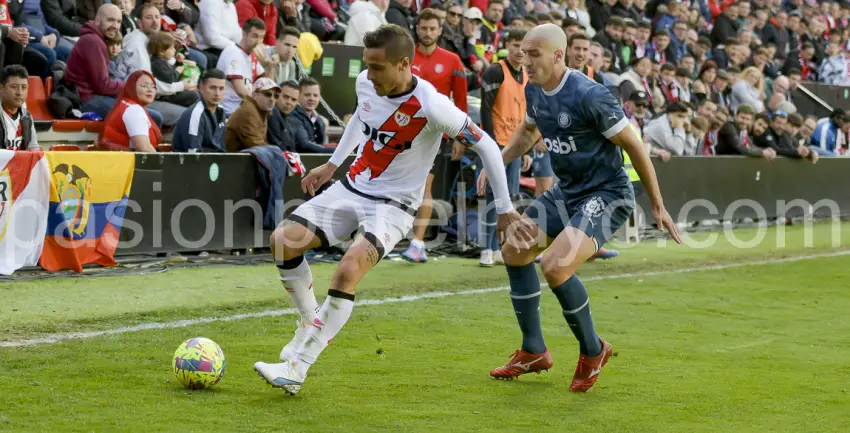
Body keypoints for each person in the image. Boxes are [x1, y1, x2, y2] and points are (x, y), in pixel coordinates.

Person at [252, 23, 518, 396]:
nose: (369, 73)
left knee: (348, 270)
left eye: (377, 67)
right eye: (367, 64)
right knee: (283, 241)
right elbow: (361, 119)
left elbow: (487, 145)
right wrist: (333, 164)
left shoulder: (433, 105)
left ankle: (297, 365)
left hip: (394, 205)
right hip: (352, 187)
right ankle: (310, 321)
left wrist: (504, 208)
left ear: (403, 64)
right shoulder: (366, 83)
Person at [486, 24, 680, 392]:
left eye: (533, 54)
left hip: (608, 193)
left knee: (556, 266)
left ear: (558, 55)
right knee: (514, 249)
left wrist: (658, 204)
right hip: (568, 191)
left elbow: (635, 147)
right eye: (523, 54)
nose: (524, 61)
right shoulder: (534, 90)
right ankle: (533, 351)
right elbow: (528, 133)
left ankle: (594, 350)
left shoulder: (591, 95)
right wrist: (497, 161)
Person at [401, 8, 468, 264]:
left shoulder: (453, 60)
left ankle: (417, 244)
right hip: (402, 129)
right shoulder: (405, 56)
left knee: (424, 186)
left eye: (432, 28)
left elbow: (460, 103)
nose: (427, 33)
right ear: (417, 29)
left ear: (440, 30)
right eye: (423, 28)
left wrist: (461, 138)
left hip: (435, 135)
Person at [473, 28, 528, 267]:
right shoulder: (495, 71)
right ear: (507, 46)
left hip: (514, 147)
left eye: (523, 46)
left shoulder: (527, 75)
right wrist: (490, 144)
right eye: (515, 45)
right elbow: (486, 109)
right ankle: (487, 247)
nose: (519, 51)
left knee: (510, 200)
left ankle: (500, 247)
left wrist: (527, 148)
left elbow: (527, 115)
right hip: (495, 145)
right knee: (492, 198)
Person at [95, 70, 162, 152]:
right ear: (132, 87)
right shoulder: (133, 109)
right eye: (144, 86)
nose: (150, 90)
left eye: (153, 87)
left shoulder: (127, 104)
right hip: (124, 162)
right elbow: (144, 148)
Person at [217, 17, 266, 115]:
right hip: (229, 109)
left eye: (261, 37)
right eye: (255, 36)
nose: (258, 42)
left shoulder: (252, 54)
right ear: (244, 34)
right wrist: (259, 102)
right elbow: (239, 88)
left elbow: (266, 84)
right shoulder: (233, 52)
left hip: (244, 107)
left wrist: (270, 64)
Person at [173, 69, 228, 152]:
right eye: (213, 88)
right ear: (202, 88)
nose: (217, 93)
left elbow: (221, 147)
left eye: (221, 88)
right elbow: (193, 154)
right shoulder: (195, 114)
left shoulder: (221, 110)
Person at [224, 77, 280, 152]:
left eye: (276, 96)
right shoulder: (249, 111)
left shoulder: (261, 111)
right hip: (232, 161)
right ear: (254, 95)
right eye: (268, 94)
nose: (272, 99)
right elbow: (257, 145)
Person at [149, 31, 201, 107]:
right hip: (165, 96)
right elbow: (170, 78)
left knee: (198, 94)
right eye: (171, 48)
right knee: (194, 95)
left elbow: (170, 70)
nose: (174, 50)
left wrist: (179, 62)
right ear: (161, 52)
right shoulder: (157, 64)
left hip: (172, 92)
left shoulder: (162, 61)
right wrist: (179, 69)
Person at [0, 66, 39, 151]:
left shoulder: (27, 117)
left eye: (24, 87)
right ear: (1, 88)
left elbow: (33, 149)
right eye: (14, 87)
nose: (19, 92)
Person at [290, 77, 332, 152]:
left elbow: (320, 144)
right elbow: (304, 145)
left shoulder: (320, 120)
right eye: (307, 95)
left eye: (315, 95)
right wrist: (335, 151)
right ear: (298, 95)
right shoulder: (292, 115)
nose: (311, 99)